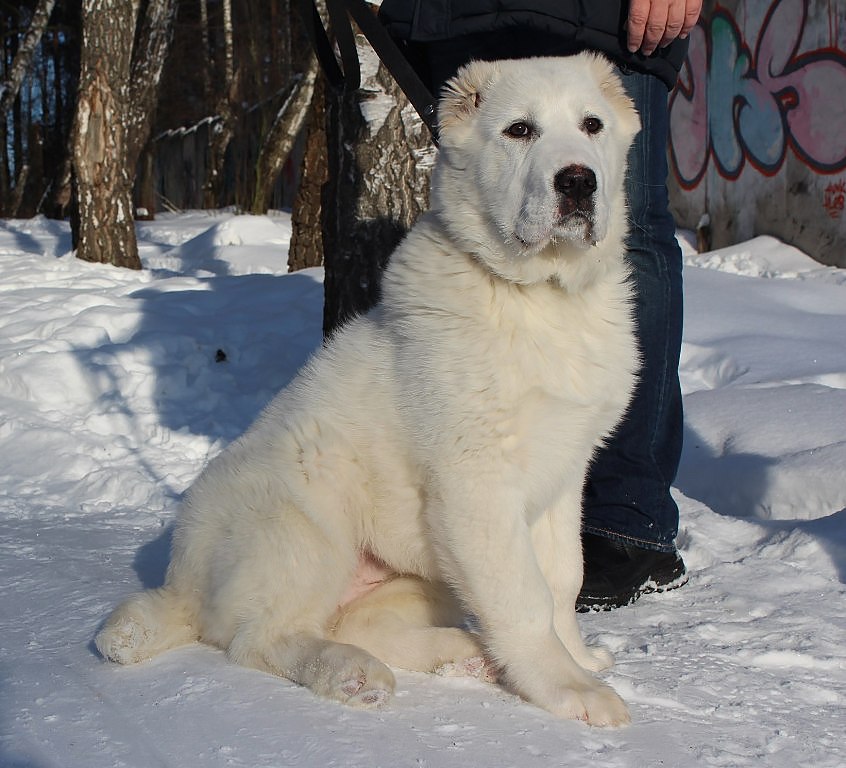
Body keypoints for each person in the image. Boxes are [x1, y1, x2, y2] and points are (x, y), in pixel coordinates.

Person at [379, 0, 703, 610]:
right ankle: (494, 518)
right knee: (484, 231)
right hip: (461, 14)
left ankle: (627, 521)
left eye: (591, 126)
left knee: (627, 234)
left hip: (615, 16)